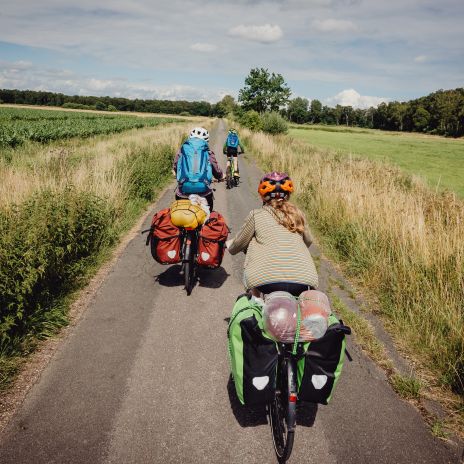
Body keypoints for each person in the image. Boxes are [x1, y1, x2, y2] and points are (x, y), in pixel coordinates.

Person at [227, 171, 318, 296]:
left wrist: (228, 245)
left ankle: (256, 305)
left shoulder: (256, 215)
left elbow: (238, 244)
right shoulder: (298, 214)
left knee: (254, 295)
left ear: (262, 195)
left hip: (265, 281)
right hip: (305, 279)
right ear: (288, 195)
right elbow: (308, 241)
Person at [172, 127, 224, 212]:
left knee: (178, 214)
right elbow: (216, 170)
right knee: (208, 215)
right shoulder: (208, 152)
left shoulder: (182, 150)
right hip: (204, 192)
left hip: (183, 192)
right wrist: (221, 176)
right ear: (206, 140)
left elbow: (176, 166)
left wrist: (176, 173)